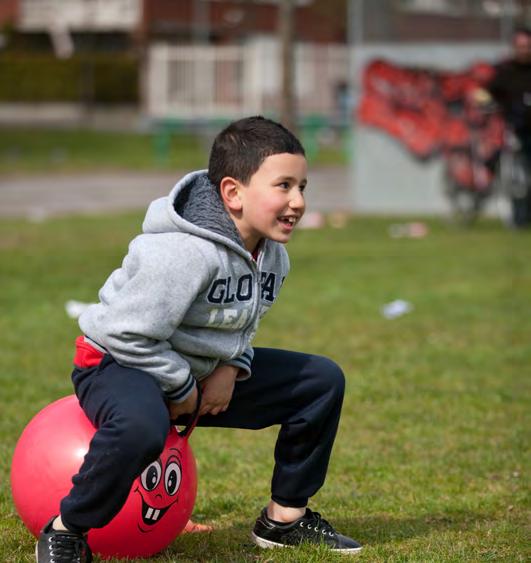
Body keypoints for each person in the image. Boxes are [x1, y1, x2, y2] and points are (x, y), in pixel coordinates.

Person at [36, 116, 362, 563]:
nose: (298, 201)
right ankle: (66, 529)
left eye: (303, 186)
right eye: (283, 186)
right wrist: (183, 387)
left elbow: (243, 325)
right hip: (118, 363)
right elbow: (124, 333)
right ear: (233, 193)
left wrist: (232, 368)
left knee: (320, 381)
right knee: (141, 427)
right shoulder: (182, 253)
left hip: (198, 373)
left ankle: (284, 519)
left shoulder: (273, 256)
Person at [487, 26, 531, 227]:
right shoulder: (504, 72)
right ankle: (519, 218)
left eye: (527, 46)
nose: (523, 50)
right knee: (512, 170)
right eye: (520, 46)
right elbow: (485, 93)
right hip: (514, 128)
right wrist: (484, 103)